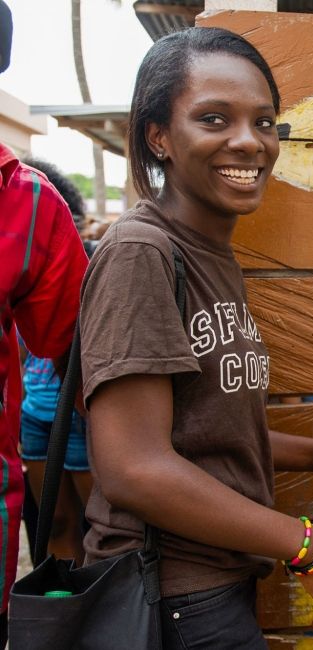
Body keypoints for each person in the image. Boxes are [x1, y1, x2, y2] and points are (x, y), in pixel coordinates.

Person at [78, 27, 313, 648]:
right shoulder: (140, 252)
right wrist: (306, 547)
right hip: (170, 596)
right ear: (159, 137)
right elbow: (133, 466)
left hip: (212, 588)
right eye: (214, 118)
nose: (249, 142)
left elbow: (203, 426)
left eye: (264, 122)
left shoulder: (209, 255)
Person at [18, 157, 92, 565]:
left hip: (81, 413)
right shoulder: (23, 270)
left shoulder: (89, 265)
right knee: (55, 521)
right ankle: (64, 614)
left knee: (100, 525)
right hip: (36, 415)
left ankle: (102, 616)